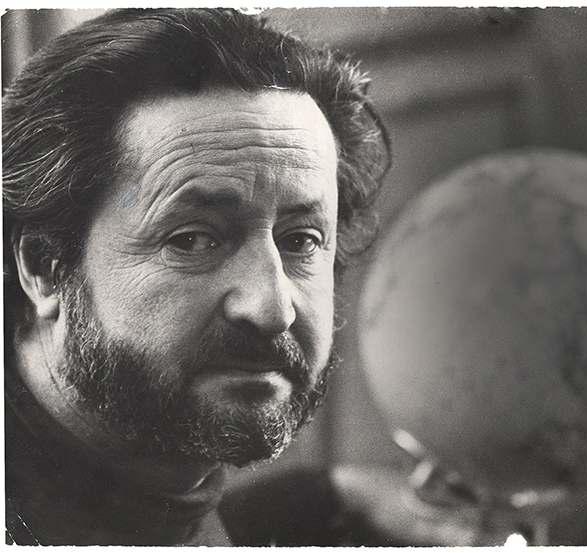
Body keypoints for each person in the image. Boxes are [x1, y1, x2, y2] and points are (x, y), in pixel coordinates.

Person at [3, 8, 391, 545]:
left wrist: (322, 497)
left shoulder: (151, 461)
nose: (271, 308)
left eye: (300, 240)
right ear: (44, 268)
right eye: (192, 240)